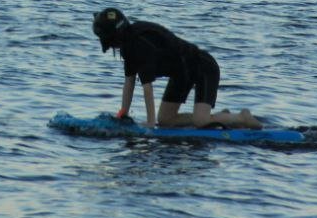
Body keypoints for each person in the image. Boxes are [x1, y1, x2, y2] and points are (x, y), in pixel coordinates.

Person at [92, 7, 263, 130]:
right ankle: (221, 117)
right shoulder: (128, 46)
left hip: (202, 67)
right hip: (181, 73)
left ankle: (241, 117)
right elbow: (129, 83)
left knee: (201, 122)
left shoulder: (140, 46)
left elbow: (147, 89)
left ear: (113, 37)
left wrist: (150, 124)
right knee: (166, 120)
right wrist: (123, 114)